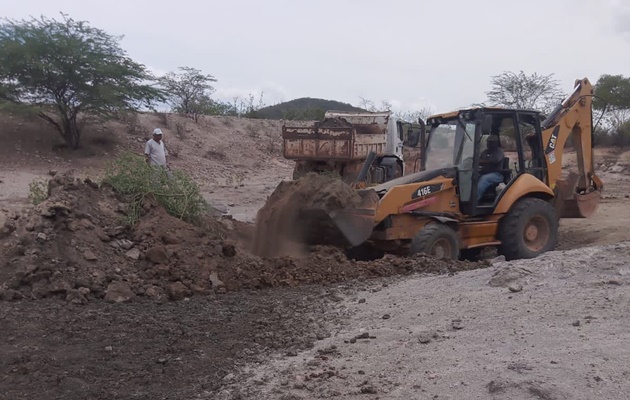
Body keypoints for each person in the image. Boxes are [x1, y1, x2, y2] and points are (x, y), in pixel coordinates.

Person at [477, 134, 504, 201]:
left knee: (484, 179)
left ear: (496, 143)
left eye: (491, 142)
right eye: (488, 142)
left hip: (497, 174)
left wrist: (483, 161)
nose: (489, 144)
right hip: (484, 172)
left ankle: (476, 199)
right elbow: (479, 161)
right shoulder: (484, 152)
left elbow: (495, 160)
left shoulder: (499, 152)